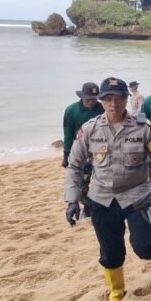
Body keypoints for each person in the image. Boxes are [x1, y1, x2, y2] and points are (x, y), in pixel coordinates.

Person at [63, 77, 151, 301]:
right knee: (110, 250)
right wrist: (72, 200)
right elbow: (74, 165)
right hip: (101, 199)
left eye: (119, 98)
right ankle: (117, 290)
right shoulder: (90, 129)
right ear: (101, 101)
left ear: (126, 99)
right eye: (108, 99)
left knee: (146, 248)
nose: (114, 104)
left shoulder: (143, 127)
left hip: (136, 195)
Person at [62, 82, 105, 217]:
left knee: (102, 181)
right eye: (88, 99)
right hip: (81, 152)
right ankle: (87, 206)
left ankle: (97, 207)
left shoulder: (103, 109)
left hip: (101, 151)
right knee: (82, 184)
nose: (91, 102)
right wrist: (66, 155)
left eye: (94, 99)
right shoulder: (71, 111)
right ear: (82, 97)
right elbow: (68, 135)